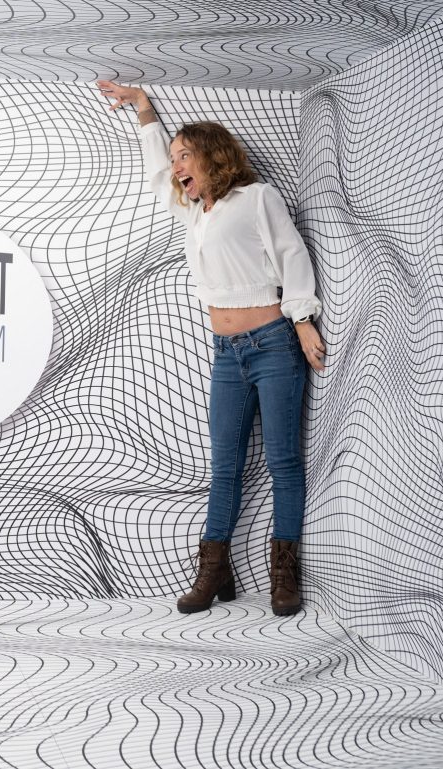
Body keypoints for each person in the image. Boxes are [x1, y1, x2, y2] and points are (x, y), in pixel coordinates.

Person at [97, 81, 326, 616]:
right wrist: (144, 110)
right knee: (224, 466)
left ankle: (284, 576)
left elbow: (291, 254)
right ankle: (214, 570)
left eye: (185, 155)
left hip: (272, 345)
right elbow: (157, 175)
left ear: (211, 156)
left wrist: (303, 321)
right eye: (175, 157)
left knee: (283, 463)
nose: (177, 165)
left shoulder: (257, 199)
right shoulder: (194, 212)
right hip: (226, 353)